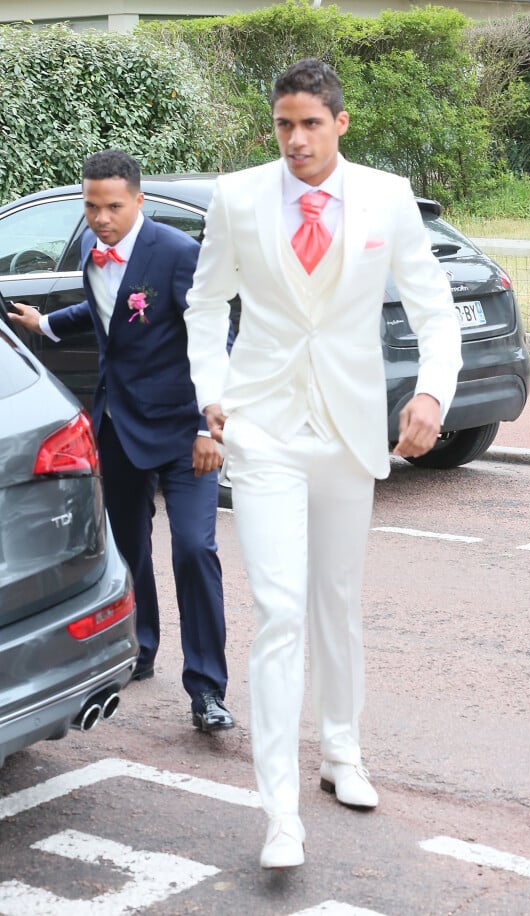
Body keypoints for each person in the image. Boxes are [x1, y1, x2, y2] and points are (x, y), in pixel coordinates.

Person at [183, 58, 462, 867]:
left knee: (335, 599)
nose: (296, 139)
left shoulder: (387, 196)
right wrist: (212, 389)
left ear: (341, 122)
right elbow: (204, 304)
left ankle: (342, 751)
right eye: (284, 124)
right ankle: (280, 812)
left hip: (346, 428)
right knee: (278, 609)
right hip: (264, 424)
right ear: (273, 126)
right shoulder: (237, 198)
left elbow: (433, 307)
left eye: (311, 123)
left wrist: (432, 397)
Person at [9, 149, 234, 733]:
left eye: (113, 206)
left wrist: (211, 423)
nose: (101, 218)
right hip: (119, 424)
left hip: (187, 433)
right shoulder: (91, 247)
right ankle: (141, 648)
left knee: (193, 549)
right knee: (128, 547)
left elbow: (216, 335)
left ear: (138, 201)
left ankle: (207, 688)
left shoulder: (179, 255)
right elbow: (106, 310)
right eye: (92, 207)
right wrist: (49, 324)